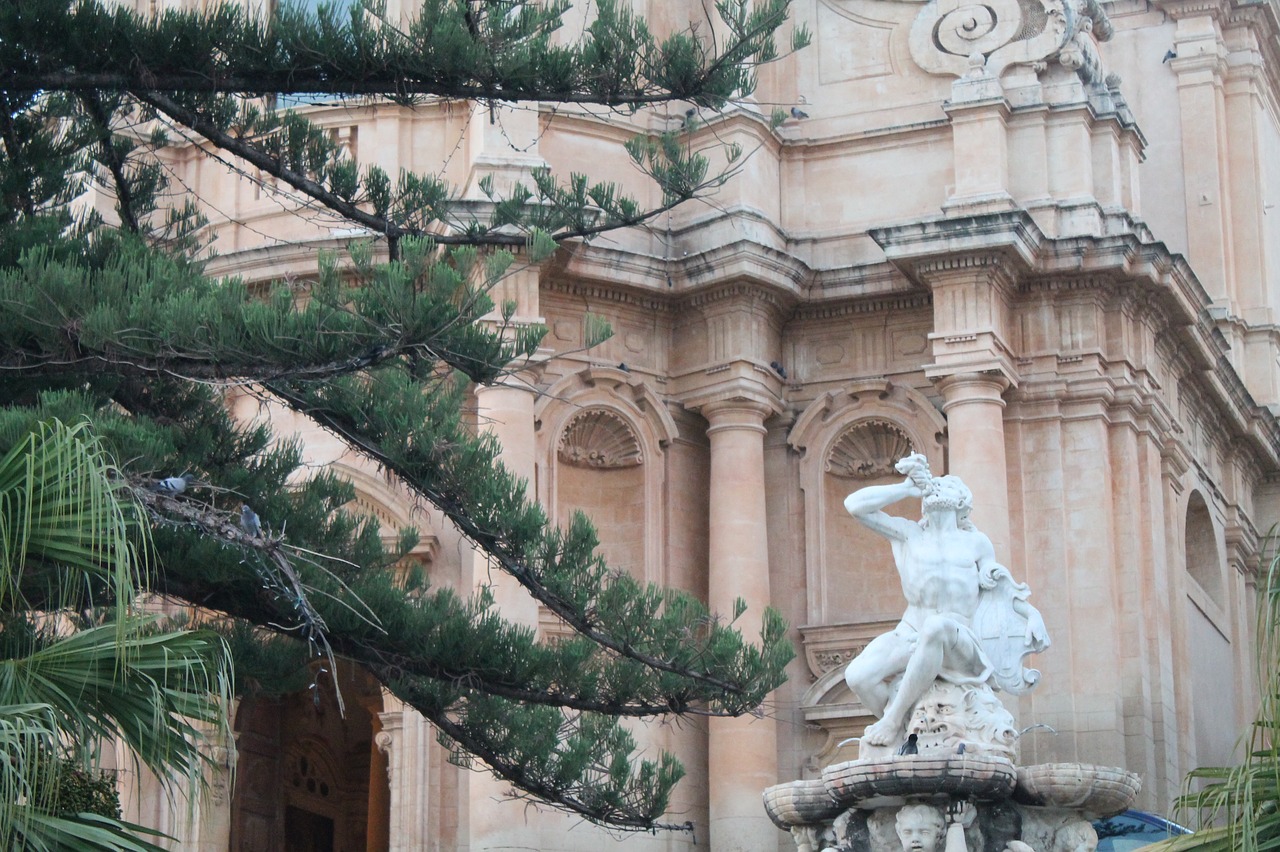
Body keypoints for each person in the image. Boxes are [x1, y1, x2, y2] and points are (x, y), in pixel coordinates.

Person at [843, 454, 1049, 747]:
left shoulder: (976, 543)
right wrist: (905, 488)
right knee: (858, 676)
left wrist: (1031, 615)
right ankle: (905, 729)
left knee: (937, 627)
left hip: (959, 640)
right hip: (911, 631)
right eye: (934, 485)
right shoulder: (908, 534)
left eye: (948, 486)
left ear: (963, 501)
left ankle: (891, 720)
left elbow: (998, 587)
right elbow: (853, 506)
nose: (938, 488)